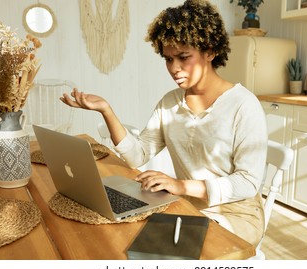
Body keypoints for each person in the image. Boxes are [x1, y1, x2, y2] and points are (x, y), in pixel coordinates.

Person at [60, 0, 268, 248]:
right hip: (187, 205)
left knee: (152, 251)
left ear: (211, 51)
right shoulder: (170, 102)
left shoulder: (243, 104)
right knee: (114, 238)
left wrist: (180, 185)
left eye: (183, 57)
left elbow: (247, 183)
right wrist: (106, 110)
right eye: (168, 59)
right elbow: (138, 155)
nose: (174, 68)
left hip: (235, 215)